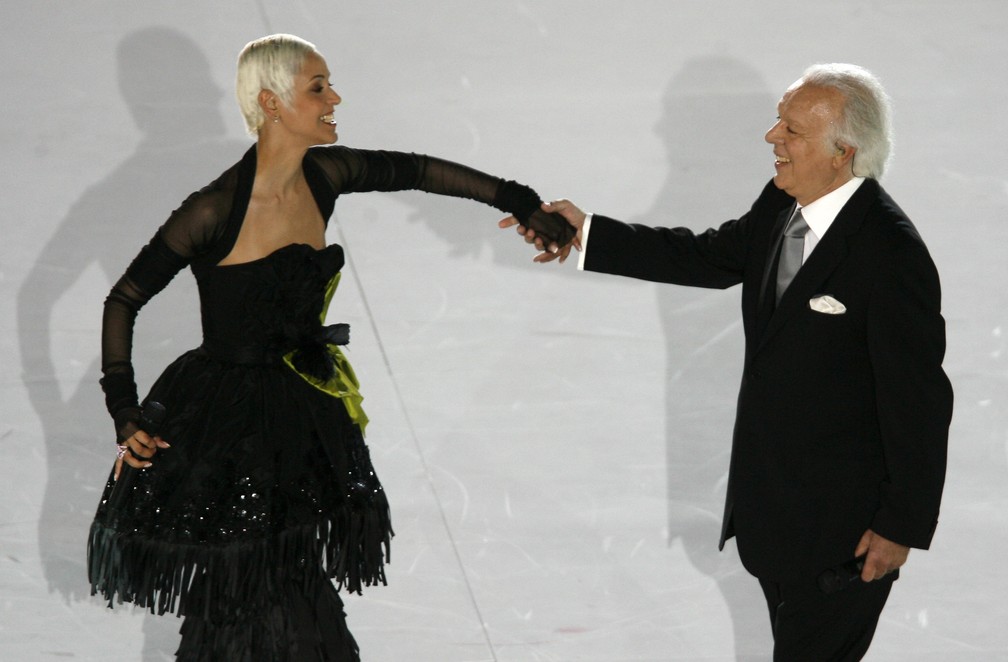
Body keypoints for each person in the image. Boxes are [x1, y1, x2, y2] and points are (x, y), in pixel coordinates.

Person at [87, 33, 573, 661]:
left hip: (299, 404)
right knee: (249, 590)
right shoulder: (210, 210)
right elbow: (122, 299)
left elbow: (421, 171)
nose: (334, 98)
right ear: (271, 101)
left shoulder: (326, 175)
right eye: (318, 88)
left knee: (284, 584)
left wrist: (523, 204)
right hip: (227, 422)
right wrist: (124, 410)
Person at [502, 63, 952, 660]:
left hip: (846, 532)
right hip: (776, 514)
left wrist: (900, 527)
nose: (772, 139)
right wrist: (589, 234)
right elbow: (709, 256)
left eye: (791, 131)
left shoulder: (891, 255)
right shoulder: (783, 204)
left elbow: (920, 404)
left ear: (842, 152)